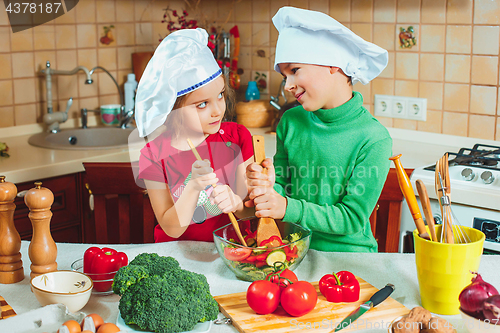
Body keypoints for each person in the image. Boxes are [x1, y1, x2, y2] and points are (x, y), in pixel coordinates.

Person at [245, 7, 393, 252]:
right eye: (284, 77)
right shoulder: (291, 121)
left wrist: (286, 207)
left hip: (349, 258)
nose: (288, 86)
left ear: (333, 64)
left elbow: (352, 218)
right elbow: (282, 189)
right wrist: (267, 186)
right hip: (293, 250)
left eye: (294, 71)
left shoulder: (374, 139)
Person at [134, 28, 255, 242]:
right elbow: (171, 228)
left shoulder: (237, 138)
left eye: (220, 95)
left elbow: (249, 211)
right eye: (202, 104)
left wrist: (236, 202)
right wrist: (192, 188)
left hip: (229, 254)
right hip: (176, 259)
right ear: (174, 109)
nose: (218, 110)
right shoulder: (153, 155)